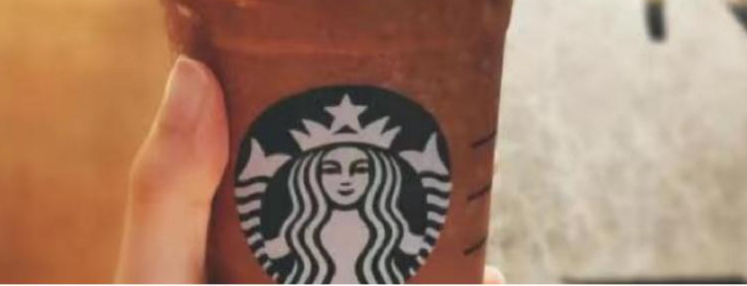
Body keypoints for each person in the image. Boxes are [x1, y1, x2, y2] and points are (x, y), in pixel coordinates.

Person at [114, 56, 505, 284]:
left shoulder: (396, 237)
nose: (346, 179)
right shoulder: (291, 241)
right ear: (310, 176)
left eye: (360, 169)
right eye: (331, 168)